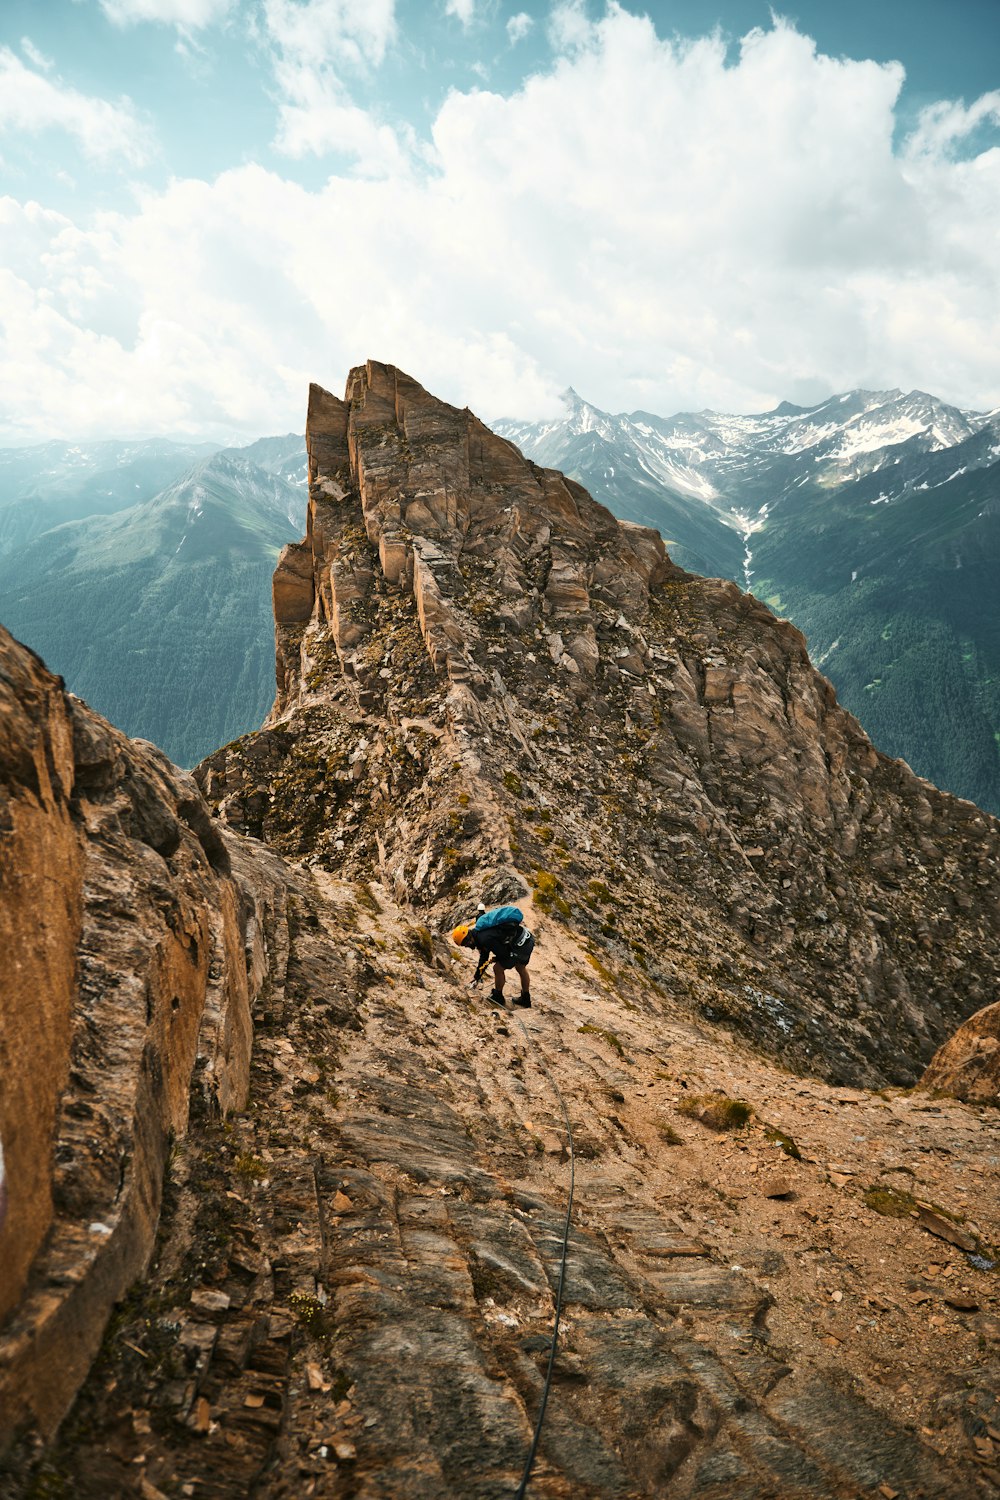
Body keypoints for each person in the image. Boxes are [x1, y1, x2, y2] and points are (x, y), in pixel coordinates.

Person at [451, 906, 534, 1007]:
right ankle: (526, 999)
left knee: (498, 968)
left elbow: (503, 954)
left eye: (465, 945)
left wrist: (496, 959)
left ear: (468, 940)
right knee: (521, 968)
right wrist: (477, 977)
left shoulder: (484, 939)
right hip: (526, 938)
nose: (468, 947)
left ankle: (498, 996)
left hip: (521, 946)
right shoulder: (479, 934)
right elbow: (484, 958)